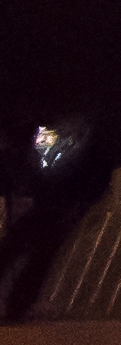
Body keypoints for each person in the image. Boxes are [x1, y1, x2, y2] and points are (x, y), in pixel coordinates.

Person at [0, 113, 108, 323]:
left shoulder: (70, 140)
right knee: (30, 257)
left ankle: (17, 309)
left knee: (22, 253)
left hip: (56, 207)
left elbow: (41, 169)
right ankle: (16, 310)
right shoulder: (84, 142)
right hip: (57, 207)